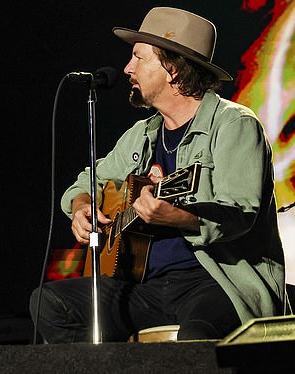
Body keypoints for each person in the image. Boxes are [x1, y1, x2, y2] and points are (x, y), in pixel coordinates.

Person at [30, 7, 287, 342]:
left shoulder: (234, 125)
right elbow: (84, 184)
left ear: (172, 68)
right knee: (48, 303)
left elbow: (240, 213)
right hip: (148, 289)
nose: (127, 68)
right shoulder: (141, 134)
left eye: (138, 58)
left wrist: (177, 216)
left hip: (217, 282)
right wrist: (82, 207)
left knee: (194, 342)